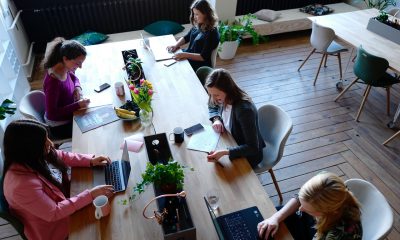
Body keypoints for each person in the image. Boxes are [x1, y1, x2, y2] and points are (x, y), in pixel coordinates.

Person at [2, 120, 114, 240]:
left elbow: (60, 155)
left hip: (66, 200)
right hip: (54, 228)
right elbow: (54, 212)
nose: (51, 144)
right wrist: (91, 194)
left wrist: (89, 160)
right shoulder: (21, 186)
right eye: (44, 142)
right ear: (29, 149)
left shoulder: (33, 156)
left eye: (47, 138)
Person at [257, 172, 362, 240]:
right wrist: (275, 218)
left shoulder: (338, 235)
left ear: (328, 212)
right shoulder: (324, 181)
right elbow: (299, 198)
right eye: (302, 204)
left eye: (308, 209)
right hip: (312, 224)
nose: (300, 208)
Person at [205, 68, 265, 168]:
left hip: (248, 156)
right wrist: (216, 119)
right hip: (231, 140)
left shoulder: (244, 110)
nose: (213, 99)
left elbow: (253, 148)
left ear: (227, 90)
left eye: (216, 95)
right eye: (210, 94)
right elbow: (212, 105)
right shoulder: (221, 97)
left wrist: (225, 152)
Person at [43, 37, 90, 139]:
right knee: (91, 132)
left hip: (70, 112)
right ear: (65, 58)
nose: (80, 67)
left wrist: (77, 87)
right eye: (78, 63)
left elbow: (73, 76)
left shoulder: (65, 67)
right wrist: (77, 105)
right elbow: (52, 114)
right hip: (59, 126)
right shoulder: (53, 82)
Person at [167, 0, 219, 72]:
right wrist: (176, 45)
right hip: (190, 56)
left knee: (174, 67)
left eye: (197, 14)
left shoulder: (212, 33)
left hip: (200, 65)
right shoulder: (198, 25)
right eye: (194, 14)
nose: (194, 17)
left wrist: (184, 54)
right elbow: (186, 37)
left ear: (206, 14)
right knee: (170, 59)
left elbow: (202, 57)